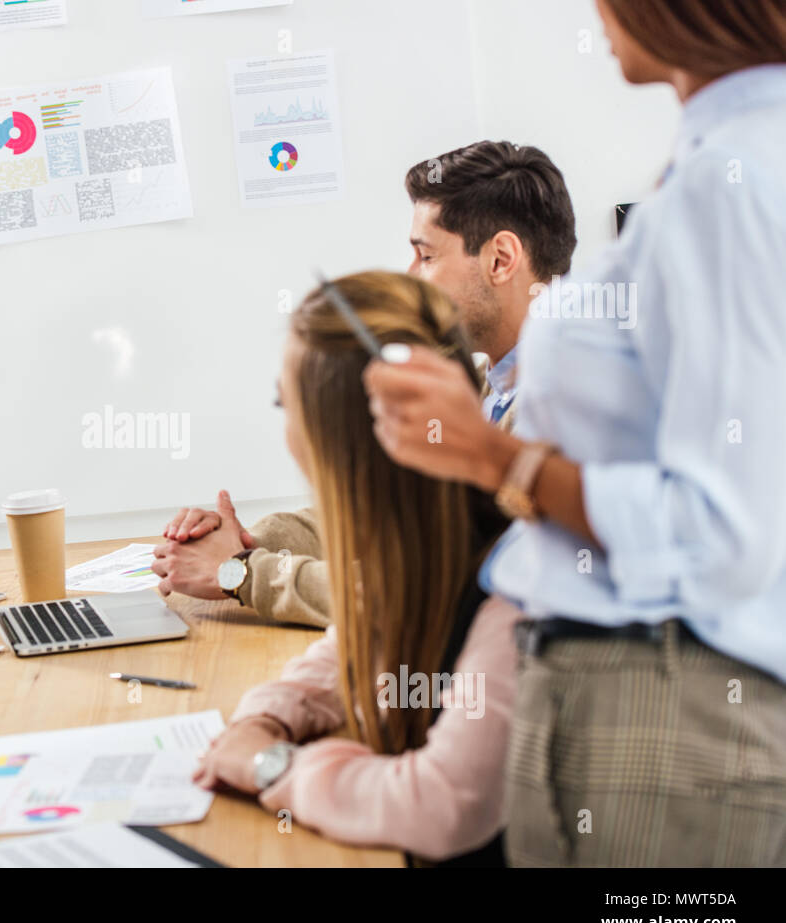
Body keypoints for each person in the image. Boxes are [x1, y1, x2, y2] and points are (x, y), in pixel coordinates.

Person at [362, 0, 786, 865]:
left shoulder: (730, 179)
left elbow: (721, 532)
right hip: (633, 716)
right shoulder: (722, 159)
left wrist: (490, 456)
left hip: (661, 728)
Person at [153, 141, 577, 627]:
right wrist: (248, 541)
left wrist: (242, 573)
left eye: (426, 255)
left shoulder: (566, 411)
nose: (411, 275)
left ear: (501, 260)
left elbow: (432, 591)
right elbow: (384, 511)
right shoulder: (488, 387)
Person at [192, 271, 520, 863]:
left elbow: (444, 806)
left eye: (282, 404)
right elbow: (342, 659)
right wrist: (262, 721)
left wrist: (274, 767)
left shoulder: (516, 580)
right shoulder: (418, 545)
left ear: (337, 437)